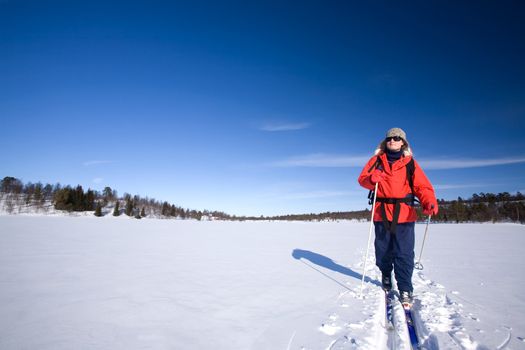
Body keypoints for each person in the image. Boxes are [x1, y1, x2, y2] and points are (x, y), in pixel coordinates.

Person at [358, 127, 438, 304]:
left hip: (404, 214)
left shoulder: (410, 163)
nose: (392, 141)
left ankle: (405, 289)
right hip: (381, 213)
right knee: (383, 251)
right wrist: (372, 179)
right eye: (389, 138)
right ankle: (386, 274)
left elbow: (422, 187)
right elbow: (362, 178)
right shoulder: (376, 160)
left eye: (396, 138)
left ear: (403, 142)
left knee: (404, 253)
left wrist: (429, 201)